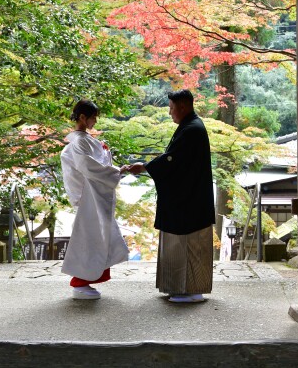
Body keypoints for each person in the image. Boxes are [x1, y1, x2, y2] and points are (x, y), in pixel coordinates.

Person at [127, 89, 215, 303]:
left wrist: (145, 166)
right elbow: (173, 160)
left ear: (183, 107)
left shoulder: (192, 129)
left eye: (171, 108)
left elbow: (172, 160)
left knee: (187, 246)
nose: (170, 112)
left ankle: (190, 291)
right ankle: (179, 288)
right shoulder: (190, 126)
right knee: (182, 246)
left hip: (188, 202)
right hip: (188, 198)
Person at [60, 100, 129, 300]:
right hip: (89, 196)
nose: (95, 121)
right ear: (82, 117)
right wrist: (116, 171)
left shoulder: (82, 140)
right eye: (93, 117)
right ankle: (79, 283)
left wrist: (110, 162)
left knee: (95, 237)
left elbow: (95, 164)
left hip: (93, 194)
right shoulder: (80, 141)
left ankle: (83, 281)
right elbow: (88, 167)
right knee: (90, 238)